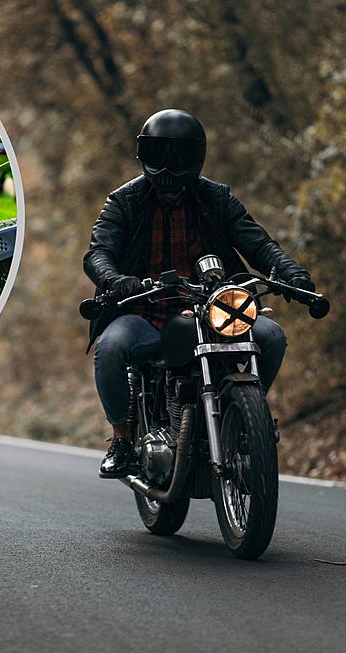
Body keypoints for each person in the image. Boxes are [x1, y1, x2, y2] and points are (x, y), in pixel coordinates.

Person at [83, 109, 315, 478]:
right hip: (146, 311)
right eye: (159, 155)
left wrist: (293, 275)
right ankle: (122, 440)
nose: (167, 168)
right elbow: (98, 252)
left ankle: (244, 418)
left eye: (178, 156)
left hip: (213, 308)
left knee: (271, 336)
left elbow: (258, 243)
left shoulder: (216, 197)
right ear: (144, 155)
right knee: (111, 348)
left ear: (196, 157)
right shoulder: (124, 201)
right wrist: (116, 279)